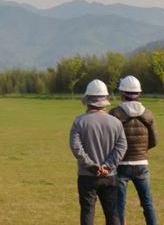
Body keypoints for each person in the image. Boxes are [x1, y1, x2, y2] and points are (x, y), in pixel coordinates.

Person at [70, 79, 127, 225]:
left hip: (87, 175)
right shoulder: (116, 122)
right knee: (112, 213)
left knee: (88, 213)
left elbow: (76, 147)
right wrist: (108, 166)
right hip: (110, 176)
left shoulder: (79, 122)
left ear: (88, 100)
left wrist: (92, 166)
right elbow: (121, 147)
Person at [109, 75, 158, 225]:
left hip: (121, 164)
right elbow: (154, 141)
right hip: (142, 163)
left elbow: (110, 141)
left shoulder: (114, 114)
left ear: (122, 93)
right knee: (147, 203)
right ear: (139, 93)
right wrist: (142, 150)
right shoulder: (148, 114)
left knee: (119, 205)